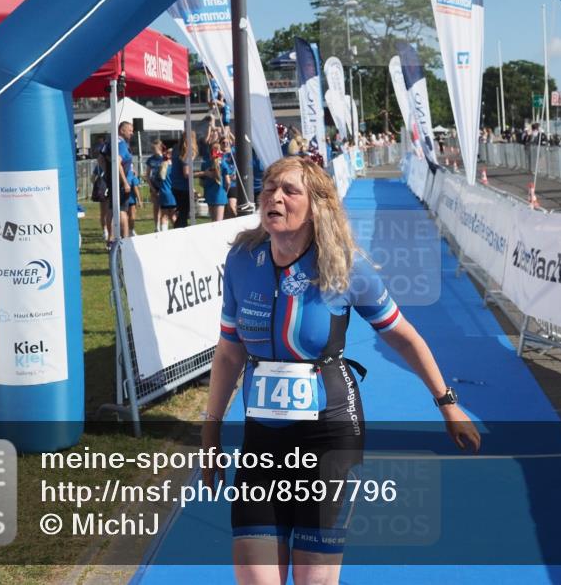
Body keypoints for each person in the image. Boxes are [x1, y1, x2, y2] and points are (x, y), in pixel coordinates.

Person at [201, 156, 480, 584]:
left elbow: (403, 335)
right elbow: (229, 354)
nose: (275, 197)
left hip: (329, 435)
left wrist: (448, 403)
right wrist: (211, 428)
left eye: (289, 190)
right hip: (262, 440)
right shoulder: (242, 260)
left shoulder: (345, 267)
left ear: (316, 205)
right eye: (269, 188)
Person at [98, 121, 134, 245]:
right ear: (122, 130)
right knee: (123, 211)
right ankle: (125, 239)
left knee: (111, 209)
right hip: (121, 183)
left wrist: (108, 173)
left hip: (112, 181)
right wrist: (124, 182)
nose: (132, 133)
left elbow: (101, 158)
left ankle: (110, 238)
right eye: (129, 130)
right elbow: (118, 162)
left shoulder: (109, 142)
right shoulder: (122, 144)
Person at [199, 138, 232, 222]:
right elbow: (228, 182)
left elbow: (201, 182)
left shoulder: (205, 164)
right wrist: (226, 191)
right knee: (219, 223)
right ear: (220, 151)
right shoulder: (223, 164)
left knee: (213, 222)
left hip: (209, 194)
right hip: (220, 195)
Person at [171, 131, 199, 228]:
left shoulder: (176, 149)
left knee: (181, 213)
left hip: (175, 185)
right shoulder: (188, 151)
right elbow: (186, 173)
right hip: (183, 187)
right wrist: (204, 173)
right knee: (183, 215)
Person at [145, 139, 166, 231]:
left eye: (155, 149)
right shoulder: (150, 159)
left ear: (160, 148)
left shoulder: (165, 158)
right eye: (152, 149)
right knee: (156, 206)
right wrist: (152, 188)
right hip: (154, 186)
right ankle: (156, 226)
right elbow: (147, 175)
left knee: (164, 207)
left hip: (164, 186)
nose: (153, 151)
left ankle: (163, 226)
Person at [157, 148, 177, 230]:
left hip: (163, 192)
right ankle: (178, 232)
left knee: (164, 216)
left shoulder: (162, 165)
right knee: (173, 215)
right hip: (172, 193)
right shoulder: (174, 167)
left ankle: (164, 234)